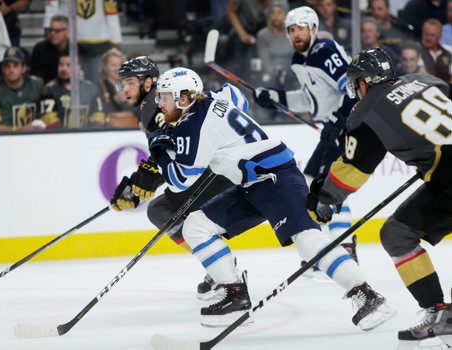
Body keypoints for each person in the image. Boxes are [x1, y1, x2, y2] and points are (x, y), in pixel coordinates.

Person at [151, 66, 396, 328]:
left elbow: (179, 181)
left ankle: (366, 295)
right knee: (196, 226)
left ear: (184, 98)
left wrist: (162, 153)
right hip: (253, 183)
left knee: (307, 239)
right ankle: (235, 295)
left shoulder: (191, 124)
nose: (159, 103)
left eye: (164, 97)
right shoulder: (214, 99)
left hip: (276, 178)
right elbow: (238, 98)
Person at [306, 48, 451, 344]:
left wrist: (323, 199)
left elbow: (352, 171)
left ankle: (438, 311)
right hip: (445, 178)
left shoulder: (368, 110)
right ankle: (441, 316)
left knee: (397, 234)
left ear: (363, 83)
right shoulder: (425, 79)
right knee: (397, 231)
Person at [109, 56, 234, 300]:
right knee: (162, 209)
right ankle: (219, 267)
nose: (125, 89)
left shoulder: (153, 106)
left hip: (215, 173)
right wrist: (137, 184)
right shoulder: (159, 103)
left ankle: (221, 270)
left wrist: (141, 184)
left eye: (130, 82)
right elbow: (168, 150)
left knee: (160, 210)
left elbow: (171, 149)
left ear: (147, 83)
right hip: (220, 169)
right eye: (122, 83)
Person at [253, 6, 358, 271]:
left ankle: (344, 247)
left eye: (300, 28)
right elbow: (309, 100)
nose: (295, 34)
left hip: (348, 126)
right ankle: (324, 248)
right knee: (310, 184)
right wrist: (277, 96)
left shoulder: (325, 51)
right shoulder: (299, 61)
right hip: (332, 127)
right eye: (291, 30)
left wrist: (341, 120)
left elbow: (352, 88)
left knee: (327, 188)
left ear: (312, 28)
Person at [0, 47, 44, 132]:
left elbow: (46, 115)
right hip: (4, 140)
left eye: (15, 65)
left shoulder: (36, 85)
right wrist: (20, 130)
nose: (11, 70)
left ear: (23, 68)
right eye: (7, 66)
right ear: (2, 69)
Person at [39, 54, 105, 128]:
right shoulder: (49, 90)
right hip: (60, 137)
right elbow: (48, 118)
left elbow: (99, 116)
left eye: (68, 65)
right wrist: (68, 135)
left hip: (87, 136)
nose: (64, 69)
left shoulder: (91, 89)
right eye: (61, 65)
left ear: (78, 67)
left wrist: (88, 134)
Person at [98, 48, 137, 127]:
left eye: (120, 65)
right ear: (105, 67)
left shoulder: (131, 86)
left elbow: (139, 110)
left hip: (131, 128)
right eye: (113, 65)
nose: (117, 68)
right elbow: (99, 113)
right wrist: (115, 101)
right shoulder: (99, 87)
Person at [30, 15, 69, 84]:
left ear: (67, 31)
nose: (52, 33)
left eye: (57, 31)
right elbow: (35, 76)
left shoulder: (74, 49)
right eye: (50, 30)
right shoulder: (40, 49)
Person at [420, 19, 452, 83]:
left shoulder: (449, 51)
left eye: (432, 35)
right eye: (426, 34)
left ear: (440, 36)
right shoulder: (415, 51)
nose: (429, 38)